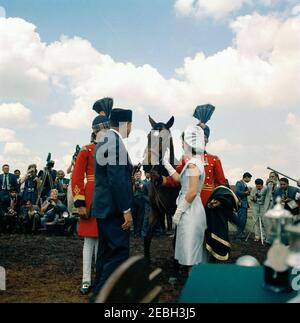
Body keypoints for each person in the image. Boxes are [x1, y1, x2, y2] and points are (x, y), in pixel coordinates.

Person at [90, 108, 133, 302]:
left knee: (105, 254)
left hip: (103, 207)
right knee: (118, 255)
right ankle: (101, 298)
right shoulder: (116, 143)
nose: (131, 129)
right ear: (125, 124)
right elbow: (117, 180)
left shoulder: (104, 140)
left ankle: (98, 294)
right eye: (130, 125)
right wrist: (126, 210)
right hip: (115, 210)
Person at [72, 115, 111, 295]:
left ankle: (100, 278)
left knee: (103, 241)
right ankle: (86, 279)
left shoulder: (111, 151)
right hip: (91, 198)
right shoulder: (86, 150)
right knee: (89, 241)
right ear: (95, 131)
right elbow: (77, 177)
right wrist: (80, 202)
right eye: (101, 129)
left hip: (108, 198)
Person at [162, 125, 207, 272]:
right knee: (190, 253)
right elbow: (182, 181)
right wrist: (166, 164)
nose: (182, 145)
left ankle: (193, 289)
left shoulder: (193, 164)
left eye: (183, 142)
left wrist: (179, 212)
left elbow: (192, 191)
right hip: (190, 209)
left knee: (191, 256)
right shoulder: (194, 162)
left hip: (190, 210)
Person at [205, 186, 240, 262]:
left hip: (215, 216)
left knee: (216, 237)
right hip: (201, 211)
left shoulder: (220, 188)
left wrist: (219, 200)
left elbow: (228, 196)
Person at [235, 172, 252, 241]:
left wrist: (248, 192)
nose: (250, 180)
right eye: (249, 178)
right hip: (241, 204)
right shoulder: (239, 183)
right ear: (246, 177)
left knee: (243, 220)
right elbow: (237, 191)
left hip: (244, 205)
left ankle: (240, 234)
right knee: (241, 220)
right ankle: (238, 236)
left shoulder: (244, 184)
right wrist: (245, 193)